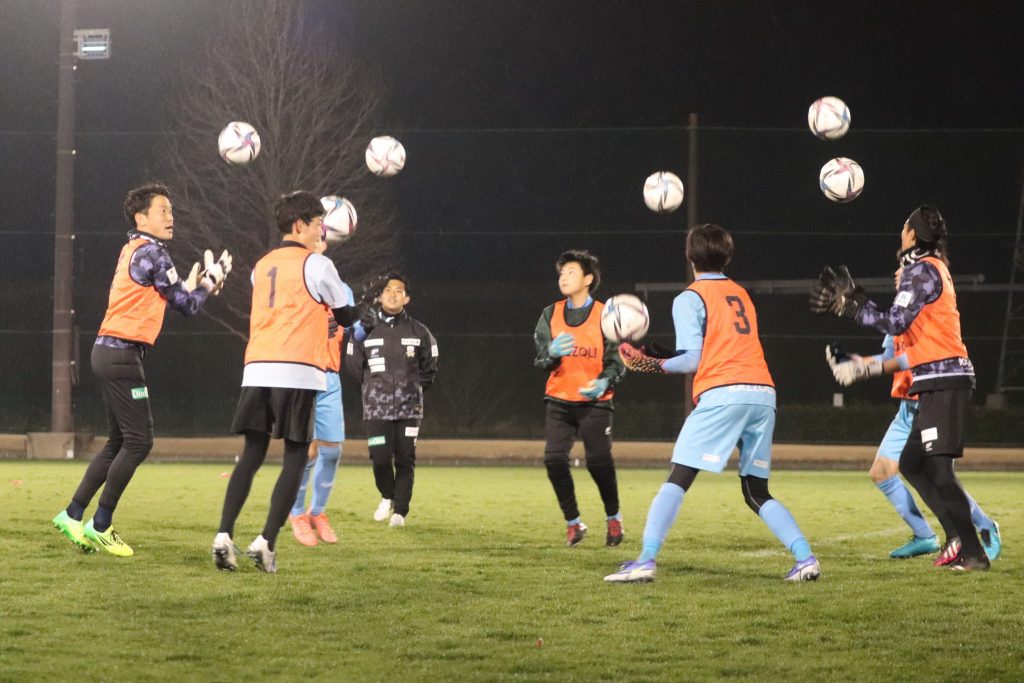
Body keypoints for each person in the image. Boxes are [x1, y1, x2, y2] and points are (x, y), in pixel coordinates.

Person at [606, 224, 820, 583]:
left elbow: (694, 360)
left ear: (689, 256)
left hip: (724, 394)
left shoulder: (689, 297)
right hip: (763, 394)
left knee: (679, 477)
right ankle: (805, 559)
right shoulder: (741, 293)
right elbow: (717, 348)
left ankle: (645, 560)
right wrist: (668, 355)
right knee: (756, 490)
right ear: (727, 256)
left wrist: (655, 365)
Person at [52, 183, 231, 557]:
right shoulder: (152, 252)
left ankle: (72, 514)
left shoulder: (135, 248)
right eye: (163, 210)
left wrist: (192, 287)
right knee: (139, 441)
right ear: (141, 217)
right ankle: (101, 524)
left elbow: (168, 295)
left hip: (108, 352)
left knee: (119, 441)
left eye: (171, 210)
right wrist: (209, 283)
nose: (171, 216)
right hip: (121, 355)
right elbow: (186, 306)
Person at [817, 213, 999, 572]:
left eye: (903, 228)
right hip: (931, 383)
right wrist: (859, 355)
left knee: (940, 472)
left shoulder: (923, 270)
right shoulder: (929, 269)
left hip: (944, 379)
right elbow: (897, 335)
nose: (900, 234)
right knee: (911, 462)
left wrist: (853, 305)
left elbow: (895, 321)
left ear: (913, 234)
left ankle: (974, 549)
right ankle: (957, 538)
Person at [212, 191, 357, 573]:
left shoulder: (261, 265)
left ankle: (223, 535)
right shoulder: (318, 264)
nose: (322, 231)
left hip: (258, 367)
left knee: (252, 453)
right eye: (318, 224)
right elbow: (345, 316)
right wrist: (356, 311)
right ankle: (266, 543)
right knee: (296, 454)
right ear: (299, 225)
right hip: (298, 369)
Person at [533, 250, 626, 547]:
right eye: (561, 273)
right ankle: (573, 523)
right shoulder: (550, 314)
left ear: (588, 279)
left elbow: (618, 360)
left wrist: (604, 381)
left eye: (571, 272)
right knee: (553, 460)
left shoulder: (606, 315)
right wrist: (551, 354)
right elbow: (541, 360)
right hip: (559, 399)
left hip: (595, 402)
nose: (563, 277)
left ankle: (613, 518)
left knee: (598, 462)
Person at [346, 272, 438, 527]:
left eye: (399, 291)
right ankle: (387, 496)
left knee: (405, 458)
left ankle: (400, 512)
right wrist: (373, 388)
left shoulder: (420, 331)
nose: (393, 294)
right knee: (380, 458)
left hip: (409, 409)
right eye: (388, 290)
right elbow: (353, 366)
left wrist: (413, 390)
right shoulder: (365, 329)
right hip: (376, 409)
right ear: (379, 296)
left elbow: (430, 368)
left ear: (407, 298)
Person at [288, 235, 354, 546]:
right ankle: (297, 514)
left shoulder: (342, 288)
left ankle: (317, 512)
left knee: (332, 449)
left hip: (330, 377)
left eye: (321, 238)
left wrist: (364, 326)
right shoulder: (292, 281)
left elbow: (352, 328)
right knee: (307, 450)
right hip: (300, 374)